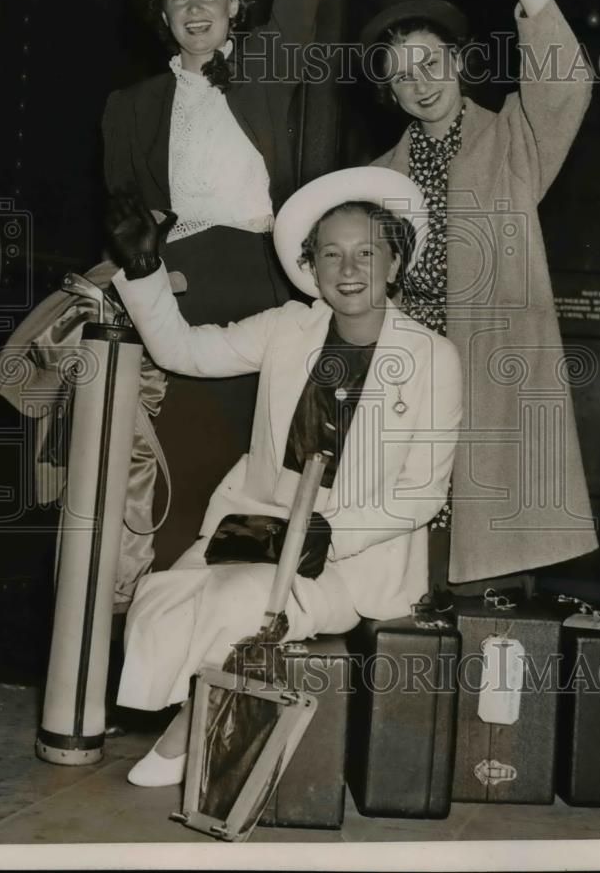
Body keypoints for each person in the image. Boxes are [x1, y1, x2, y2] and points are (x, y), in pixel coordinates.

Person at [106, 166, 462, 785]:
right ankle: (208, 714)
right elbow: (182, 351)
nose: (348, 269)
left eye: (366, 253)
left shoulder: (434, 357)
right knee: (164, 595)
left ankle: (192, 728)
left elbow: (422, 492)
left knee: (238, 601)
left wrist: (326, 534)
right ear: (311, 267)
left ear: (395, 262)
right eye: (331, 254)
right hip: (254, 527)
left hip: (353, 556)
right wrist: (143, 270)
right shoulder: (284, 329)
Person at [99, 0, 344, 601]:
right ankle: (157, 642)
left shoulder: (263, 67)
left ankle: (233, 646)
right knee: (171, 471)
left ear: (237, 3)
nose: (194, 8)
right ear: (163, 15)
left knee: (253, 476)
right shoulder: (130, 105)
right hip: (172, 293)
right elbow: (125, 222)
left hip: (261, 290)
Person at [361, 0, 599, 590]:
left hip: (492, 372)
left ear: (459, 63)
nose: (420, 83)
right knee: (405, 562)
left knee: (491, 572)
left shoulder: (511, 141)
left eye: (430, 63)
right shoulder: (377, 177)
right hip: (413, 376)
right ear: (389, 91)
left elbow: (564, 88)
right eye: (401, 75)